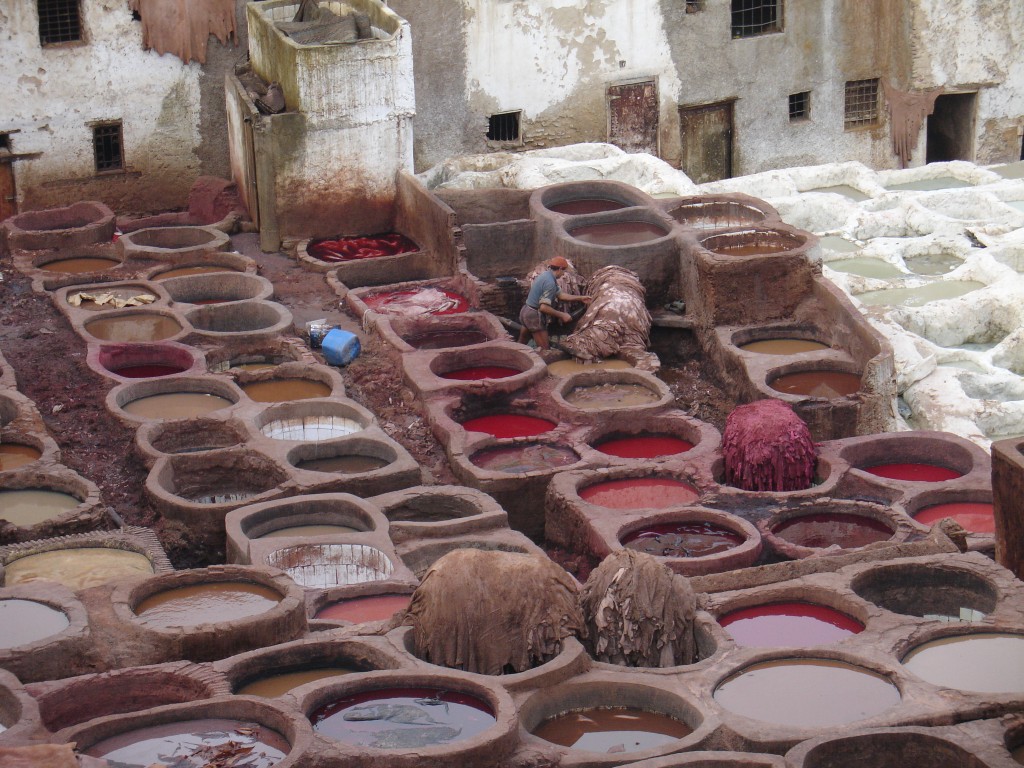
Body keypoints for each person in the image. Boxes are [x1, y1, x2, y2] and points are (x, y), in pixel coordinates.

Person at [518, 256, 592, 350]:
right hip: (534, 316)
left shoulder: (546, 275)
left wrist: (581, 298)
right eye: (564, 271)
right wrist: (562, 315)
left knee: (521, 344)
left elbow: (560, 295)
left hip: (525, 311)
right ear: (560, 269)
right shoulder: (550, 283)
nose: (564, 274)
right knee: (545, 350)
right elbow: (543, 307)